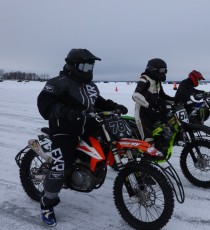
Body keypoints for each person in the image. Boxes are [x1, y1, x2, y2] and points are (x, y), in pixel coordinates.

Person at [37, 48, 128, 227]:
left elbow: (98, 102)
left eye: (90, 66)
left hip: (87, 125)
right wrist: (66, 111)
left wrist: (114, 106)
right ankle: (47, 203)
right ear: (72, 65)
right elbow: (45, 103)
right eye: (84, 66)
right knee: (63, 162)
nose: (88, 70)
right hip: (64, 127)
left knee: (111, 141)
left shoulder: (90, 86)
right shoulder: (58, 82)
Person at [132, 58, 174, 145]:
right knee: (148, 141)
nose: (164, 72)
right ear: (153, 69)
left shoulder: (157, 81)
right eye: (162, 70)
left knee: (161, 136)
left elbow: (162, 96)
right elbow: (135, 95)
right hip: (142, 113)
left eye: (165, 70)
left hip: (154, 113)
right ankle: (145, 157)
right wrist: (150, 106)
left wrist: (175, 101)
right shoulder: (145, 78)